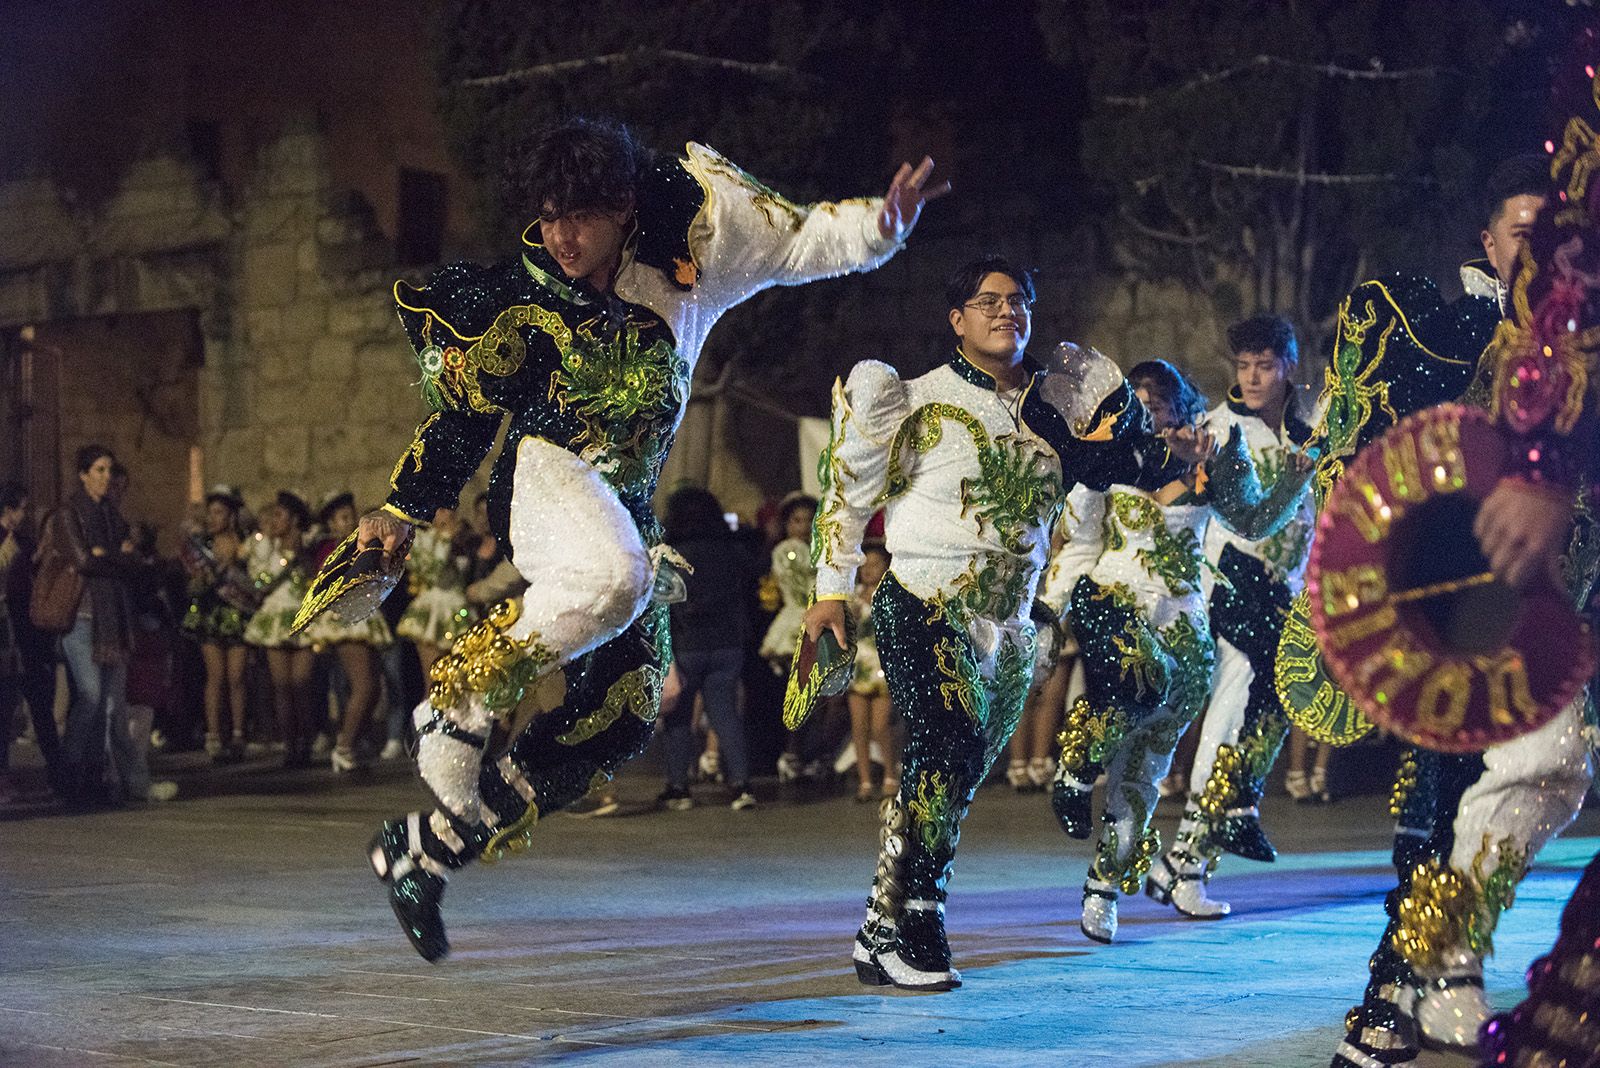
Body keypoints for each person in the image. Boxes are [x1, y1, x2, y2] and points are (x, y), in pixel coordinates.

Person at [355, 116, 946, 962]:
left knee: (623, 714)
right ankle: (454, 708)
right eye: (549, 214)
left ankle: (427, 853)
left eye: (581, 218)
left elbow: (805, 241)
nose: (561, 237)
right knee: (613, 577)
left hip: (624, 499)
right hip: (546, 474)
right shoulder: (523, 295)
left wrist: (883, 227)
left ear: (626, 207)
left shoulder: (704, 236)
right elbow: (463, 419)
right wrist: (402, 509)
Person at [804, 256, 1221, 991]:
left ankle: (879, 922)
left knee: (956, 773)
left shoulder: (1058, 412)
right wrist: (829, 590)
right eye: (988, 301)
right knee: (947, 741)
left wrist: (1174, 454)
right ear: (956, 319)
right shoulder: (911, 398)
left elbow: (1119, 468)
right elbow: (847, 493)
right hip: (923, 600)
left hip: (1009, 621)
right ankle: (920, 924)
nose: (1007, 312)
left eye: (1019, 301)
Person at [1323, 154, 1598, 1067]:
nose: (1543, 248)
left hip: (1575, 612)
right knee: (1447, 805)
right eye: (1526, 232)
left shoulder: (1577, 337)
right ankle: (1400, 985)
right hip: (1481, 620)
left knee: (1546, 770)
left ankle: (1445, 971)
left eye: (1555, 235)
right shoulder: (1472, 340)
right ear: (1492, 243)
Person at [1042, 359, 1312, 943]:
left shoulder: (1214, 455)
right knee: (1140, 686)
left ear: (1180, 406)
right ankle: (1074, 765)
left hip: (1185, 623)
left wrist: (1293, 481)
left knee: (1143, 770)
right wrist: (1051, 611)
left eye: (1157, 403)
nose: (1146, 413)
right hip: (1118, 606)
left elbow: (1257, 521)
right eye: (1136, 402)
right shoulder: (1107, 463)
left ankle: (1103, 888)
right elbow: (1079, 546)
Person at [1146, 315, 1317, 919]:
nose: (1251, 377)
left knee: (1258, 721)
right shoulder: (1216, 431)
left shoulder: (1312, 433)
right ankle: (1185, 864)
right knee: (1232, 714)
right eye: (1243, 366)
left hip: (1288, 596)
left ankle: (1185, 860)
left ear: (1288, 366)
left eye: (1264, 365)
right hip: (1231, 590)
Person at [655, 486, 759, 811]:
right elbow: (758, 568)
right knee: (725, 713)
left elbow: (661, 604)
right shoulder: (730, 551)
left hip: (686, 644)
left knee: (679, 718)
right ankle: (741, 784)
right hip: (727, 643)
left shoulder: (671, 553)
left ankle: (678, 787)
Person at [55, 445, 148, 806]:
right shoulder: (68, 513)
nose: (106, 477)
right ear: (83, 473)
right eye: (99, 469)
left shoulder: (112, 514)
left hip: (113, 618)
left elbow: (133, 558)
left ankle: (92, 777)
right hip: (82, 615)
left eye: (109, 470)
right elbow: (82, 561)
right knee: (91, 696)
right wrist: (115, 557)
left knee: (108, 701)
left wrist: (106, 556)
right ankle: (69, 770)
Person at [305, 492, 393, 771]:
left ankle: (351, 742)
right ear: (332, 523)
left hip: (366, 615)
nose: (351, 521)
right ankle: (343, 746)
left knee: (373, 687)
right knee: (363, 685)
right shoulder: (332, 550)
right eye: (343, 517)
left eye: (351, 515)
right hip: (347, 618)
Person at [179, 486, 253, 762]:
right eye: (210, 512)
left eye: (219, 512)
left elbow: (254, 579)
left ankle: (237, 734)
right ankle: (213, 735)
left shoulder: (245, 543)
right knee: (216, 677)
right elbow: (192, 580)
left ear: (231, 515)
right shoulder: (203, 545)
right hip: (211, 613)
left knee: (237, 677)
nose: (213, 518)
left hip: (237, 613)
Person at [243, 492, 317, 767]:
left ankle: (306, 742)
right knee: (282, 687)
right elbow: (259, 581)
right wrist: (283, 560)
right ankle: (290, 746)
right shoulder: (266, 549)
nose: (274, 521)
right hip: (275, 618)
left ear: (294, 519)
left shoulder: (309, 548)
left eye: (279, 515)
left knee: (302, 685)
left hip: (302, 619)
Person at [760, 493, 819, 781]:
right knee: (800, 693)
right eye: (797, 520)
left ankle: (801, 753)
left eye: (809, 520)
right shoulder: (789, 551)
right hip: (798, 625)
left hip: (816, 622)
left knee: (815, 696)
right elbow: (801, 589)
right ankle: (791, 753)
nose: (803, 526)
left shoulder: (815, 549)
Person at [846, 543, 897, 802]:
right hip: (858, 665)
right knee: (859, 726)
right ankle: (864, 781)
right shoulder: (853, 595)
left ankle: (890, 773)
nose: (868, 570)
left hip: (881, 664)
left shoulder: (890, 595)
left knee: (880, 726)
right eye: (863, 565)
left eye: (874, 565)